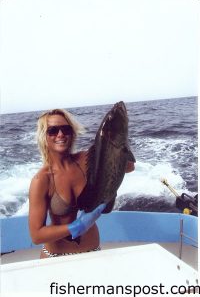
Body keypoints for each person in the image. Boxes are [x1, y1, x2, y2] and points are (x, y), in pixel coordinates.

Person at [29, 109, 135, 259]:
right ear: (43, 136)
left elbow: (129, 167)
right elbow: (36, 235)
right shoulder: (41, 180)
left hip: (91, 251)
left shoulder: (85, 160)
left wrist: (120, 140)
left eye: (66, 129)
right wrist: (76, 226)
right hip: (55, 256)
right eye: (52, 130)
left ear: (72, 133)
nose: (60, 134)